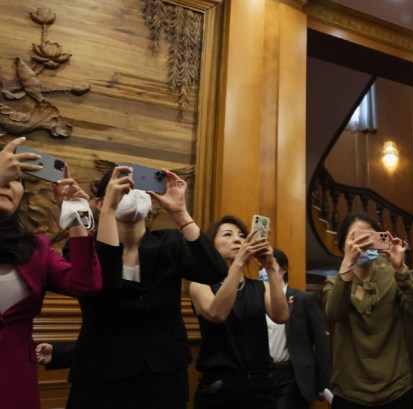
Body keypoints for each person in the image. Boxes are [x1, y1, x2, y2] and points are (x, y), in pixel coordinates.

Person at [64, 165, 229, 409]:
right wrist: (109, 211)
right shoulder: (81, 248)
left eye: (140, 187)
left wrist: (181, 213)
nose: (132, 192)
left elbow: (214, 271)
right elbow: (106, 287)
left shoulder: (171, 242)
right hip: (102, 374)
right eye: (122, 186)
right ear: (100, 202)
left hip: (163, 375)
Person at [0, 137, 101, 409]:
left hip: (14, 384)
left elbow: (86, 284)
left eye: (17, 179)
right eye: (5, 175)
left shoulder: (36, 248)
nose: (9, 184)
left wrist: (75, 216)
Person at [322, 212, 413, 409]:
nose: (364, 243)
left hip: (396, 388)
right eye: (356, 237)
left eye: (369, 236)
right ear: (343, 245)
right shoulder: (335, 282)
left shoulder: (392, 275)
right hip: (349, 391)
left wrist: (401, 269)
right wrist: (347, 264)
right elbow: (335, 313)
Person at [189, 215, 288, 409]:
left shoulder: (261, 287)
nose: (238, 239)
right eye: (228, 234)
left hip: (260, 386)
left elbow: (281, 316)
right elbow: (217, 314)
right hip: (219, 388)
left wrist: (270, 267)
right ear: (211, 247)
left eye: (242, 236)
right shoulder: (200, 284)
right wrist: (238, 264)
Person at [263, 248, 331, 409]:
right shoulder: (257, 298)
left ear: (283, 270)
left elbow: (321, 342)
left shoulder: (303, 299)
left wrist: (323, 383)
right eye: (261, 267)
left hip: (293, 376)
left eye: (269, 265)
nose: (263, 271)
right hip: (263, 376)